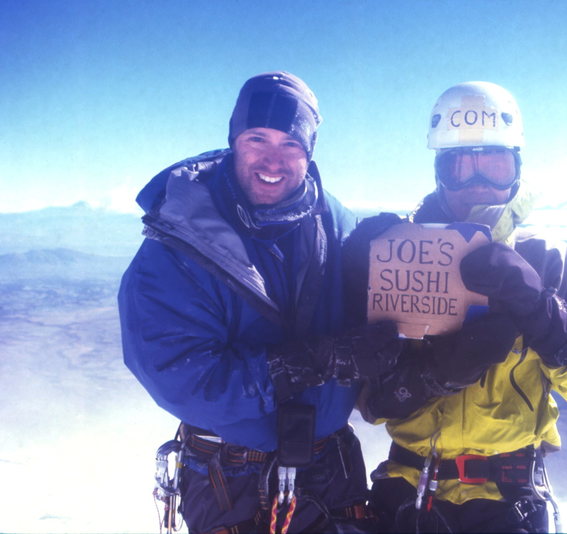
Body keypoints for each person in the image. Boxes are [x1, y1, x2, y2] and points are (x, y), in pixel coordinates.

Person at [118, 71, 401, 534]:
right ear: (234, 141)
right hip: (230, 481)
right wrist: (310, 363)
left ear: (309, 153)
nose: (273, 159)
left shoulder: (337, 224)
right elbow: (180, 374)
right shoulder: (179, 240)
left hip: (331, 470)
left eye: (291, 144)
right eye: (257, 138)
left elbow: (377, 326)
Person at [353, 81, 567, 533]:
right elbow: (369, 402)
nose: (477, 183)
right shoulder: (401, 251)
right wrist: (434, 375)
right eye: (461, 166)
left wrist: (539, 308)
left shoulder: (549, 260)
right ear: (439, 171)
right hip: (408, 492)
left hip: (507, 500)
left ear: (516, 169)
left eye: (493, 164)